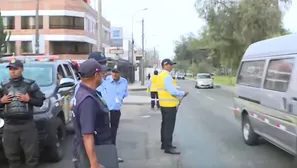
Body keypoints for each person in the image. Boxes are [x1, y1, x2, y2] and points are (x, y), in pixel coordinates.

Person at [0, 59, 45, 168]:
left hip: (27, 125)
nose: (13, 71)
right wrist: (1, 101)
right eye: (10, 69)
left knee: (32, 156)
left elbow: (40, 102)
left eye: (15, 68)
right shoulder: (3, 86)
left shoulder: (30, 84)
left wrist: (29, 99)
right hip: (10, 126)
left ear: (22, 69)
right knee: (11, 156)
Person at [72, 59, 116, 168]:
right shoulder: (88, 100)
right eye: (102, 73)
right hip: (97, 150)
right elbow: (87, 135)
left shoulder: (83, 92)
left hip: (95, 148)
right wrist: (94, 162)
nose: (103, 75)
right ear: (96, 75)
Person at [157, 58, 188, 155]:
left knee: (164, 125)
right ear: (165, 65)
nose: (172, 67)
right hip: (170, 105)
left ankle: (164, 144)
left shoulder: (160, 75)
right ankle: (168, 147)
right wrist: (182, 93)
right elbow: (172, 91)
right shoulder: (166, 76)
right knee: (169, 127)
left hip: (163, 104)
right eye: (170, 65)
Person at [100, 65, 128, 163]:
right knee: (104, 133)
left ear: (120, 73)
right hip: (106, 110)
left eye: (117, 72)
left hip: (116, 110)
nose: (114, 74)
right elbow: (97, 92)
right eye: (113, 72)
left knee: (113, 133)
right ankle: (103, 155)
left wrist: (118, 101)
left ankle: (112, 155)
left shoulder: (124, 82)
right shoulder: (105, 81)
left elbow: (125, 94)